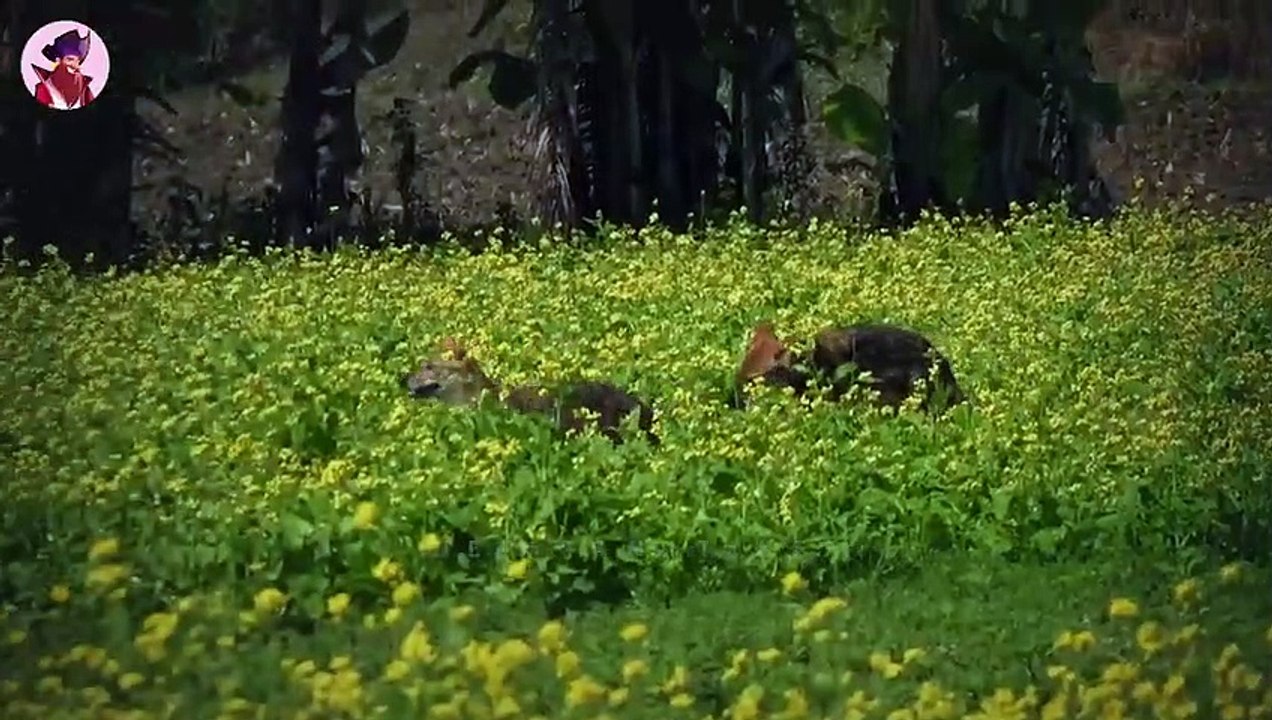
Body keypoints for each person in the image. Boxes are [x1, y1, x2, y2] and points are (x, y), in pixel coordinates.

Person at [31, 28, 96, 109]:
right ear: (58, 61)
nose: (75, 65)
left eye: (78, 61)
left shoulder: (84, 90)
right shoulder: (44, 88)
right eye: (70, 60)